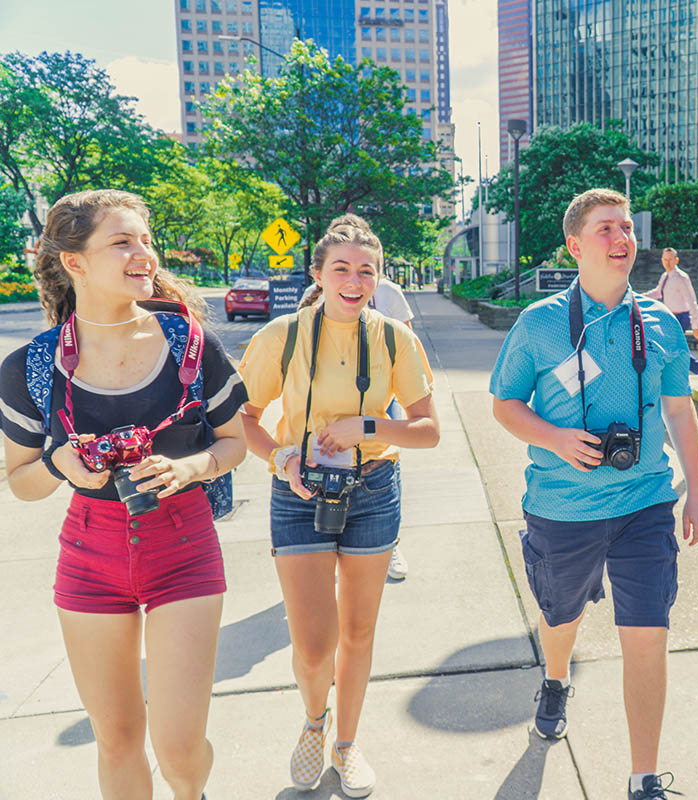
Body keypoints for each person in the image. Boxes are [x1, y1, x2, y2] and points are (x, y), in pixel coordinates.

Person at [0, 189, 248, 800]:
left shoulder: (190, 344)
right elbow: (21, 482)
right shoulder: (31, 366)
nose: (145, 254)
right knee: (116, 740)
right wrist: (58, 464)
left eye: (145, 240)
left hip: (184, 547)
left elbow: (234, 443)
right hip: (88, 557)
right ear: (74, 262)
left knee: (180, 752)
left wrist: (192, 468)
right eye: (122, 242)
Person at [490, 188, 698, 800]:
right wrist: (557, 438)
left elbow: (680, 411)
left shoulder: (662, 323)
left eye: (627, 228)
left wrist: (697, 494)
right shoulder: (538, 324)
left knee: (646, 633)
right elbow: (504, 405)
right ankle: (556, 678)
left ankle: (644, 779)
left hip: (645, 502)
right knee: (562, 616)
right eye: (606, 229)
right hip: (563, 507)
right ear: (574, 245)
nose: (622, 239)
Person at [238, 214, 437, 798]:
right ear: (318, 273)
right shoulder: (282, 336)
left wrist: (368, 425)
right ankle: (314, 720)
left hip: (374, 489)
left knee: (358, 632)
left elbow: (427, 431)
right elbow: (241, 420)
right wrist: (281, 459)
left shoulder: (397, 338)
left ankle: (347, 744)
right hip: (298, 495)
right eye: (342, 269)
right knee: (312, 643)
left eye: (367, 270)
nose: (355, 280)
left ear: (379, 277)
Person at [300, 271, 416, 581]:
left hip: (378, 393)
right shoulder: (314, 294)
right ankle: (332, 543)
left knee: (380, 462)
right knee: (328, 470)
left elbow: (409, 345)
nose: (351, 275)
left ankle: (388, 543)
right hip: (328, 400)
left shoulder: (388, 293)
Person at [643, 247, 698, 374]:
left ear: (676, 260)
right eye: (665, 259)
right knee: (673, 347)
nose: (667, 262)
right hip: (671, 318)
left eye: (670, 259)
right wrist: (639, 297)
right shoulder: (665, 276)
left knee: (675, 347)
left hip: (681, 317)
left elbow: (691, 300)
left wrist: (696, 325)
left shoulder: (681, 277)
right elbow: (658, 293)